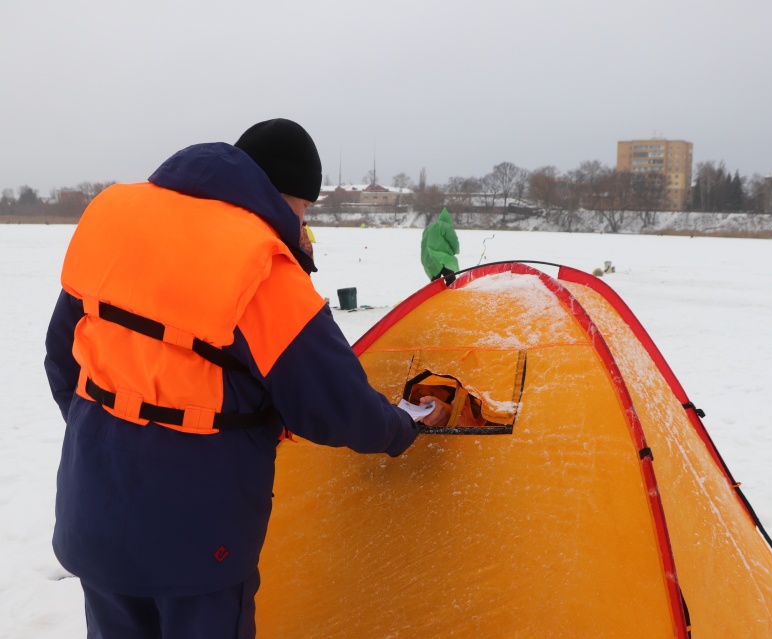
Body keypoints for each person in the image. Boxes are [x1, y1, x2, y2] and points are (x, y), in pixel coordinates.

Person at [44, 118, 419, 639]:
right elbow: (336, 404)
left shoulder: (115, 221)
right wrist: (402, 427)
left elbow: (63, 360)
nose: (303, 220)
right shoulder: (262, 268)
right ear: (281, 194)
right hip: (199, 540)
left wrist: (112, 437)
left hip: (93, 508)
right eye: (304, 207)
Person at [420, 206, 460, 285]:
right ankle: (448, 295)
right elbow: (453, 240)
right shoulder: (447, 226)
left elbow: (424, 243)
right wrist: (456, 250)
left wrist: (425, 258)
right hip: (444, 259)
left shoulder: (429, 227)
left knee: (435, 281)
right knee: (451, 279)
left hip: (430, 259)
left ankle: (435, 295)